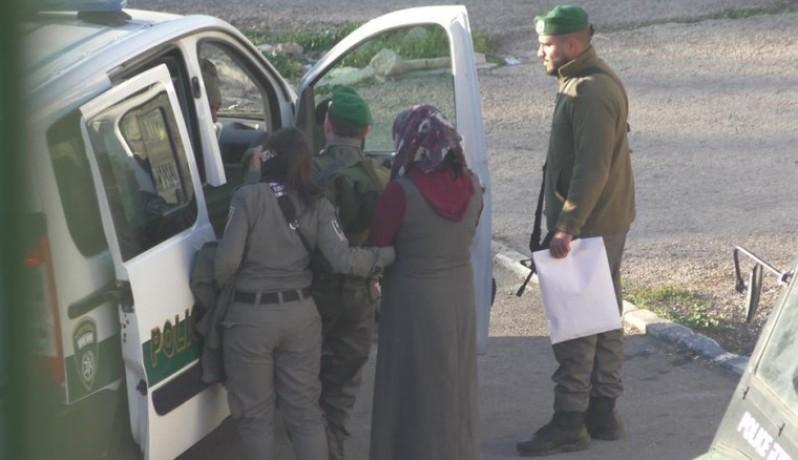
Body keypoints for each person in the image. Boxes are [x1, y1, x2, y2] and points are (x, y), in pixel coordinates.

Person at [213, 127, 394, 460]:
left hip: (250, 318)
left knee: (255, 418)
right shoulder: (318, 202)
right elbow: (343, 259)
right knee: (305, 413)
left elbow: (225, 265)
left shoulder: (247, 198)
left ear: (268, 158)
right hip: (300, 315)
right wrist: (387, 255)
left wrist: (251, 178)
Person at [515, 5, 635, 457]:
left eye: (546, 44)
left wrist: (566, 226)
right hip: (602, 223)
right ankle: (602, 414)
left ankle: (569, 422)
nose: (540, 52)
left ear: (571, 43)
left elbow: (591, 168)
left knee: (577, 329)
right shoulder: (584, 81)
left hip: (589, 228)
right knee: (603, 320)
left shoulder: (589, 91)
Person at [367, 105, 483, 460]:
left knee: (412, 388)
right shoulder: (472, 185)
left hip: (413, 300)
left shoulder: (402, 191)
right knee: (454, 383)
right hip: (460, 295)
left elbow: (377, 243)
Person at [310, 86, 389, 460]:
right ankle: (334, 445)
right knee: (342, 382)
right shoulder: (381, 176)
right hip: (359, 292)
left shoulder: (305, 172)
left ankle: (313, 445)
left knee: (304, 381)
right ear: (367, 131)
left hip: (309, 292)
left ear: (327, 125)